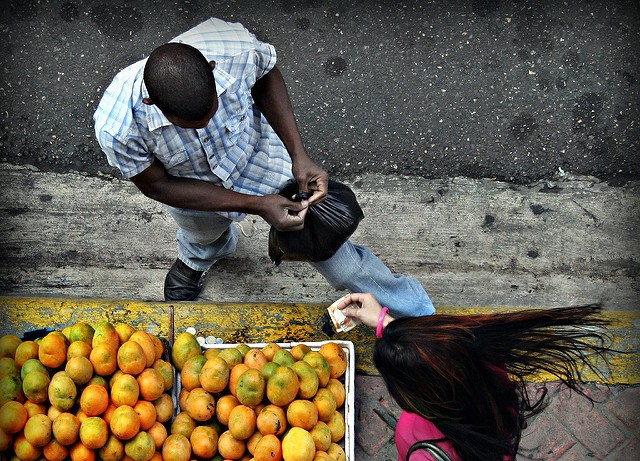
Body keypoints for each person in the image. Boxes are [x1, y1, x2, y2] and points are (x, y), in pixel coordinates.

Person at [93, 17, 434, 315]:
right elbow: (158, 186)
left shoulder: (232, 47)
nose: (206, 126)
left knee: (341, 262)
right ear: (152, 104)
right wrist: (256, 206)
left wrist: (299, 154)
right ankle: (198, 259)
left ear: (212, 69)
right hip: (193, 190)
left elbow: (266, 74)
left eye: (213, 110)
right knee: (201, 234)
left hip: (262, 163)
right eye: (189, 124)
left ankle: (418, 312)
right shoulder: (117, 126)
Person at [335, 293, 614, 461]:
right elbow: (440, 351)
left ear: (418, 396)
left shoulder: (424, 450)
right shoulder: (483, 369)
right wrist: (384, 321)